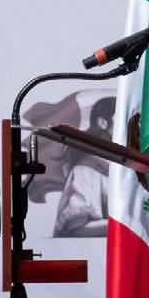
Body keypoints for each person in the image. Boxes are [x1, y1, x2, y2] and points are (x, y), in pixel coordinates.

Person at [52, 95, 115, 238]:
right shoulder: (85, 171)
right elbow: (76, 229)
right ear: (103, 123)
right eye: (123, 119)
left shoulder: (131, 169)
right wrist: (128, 227)